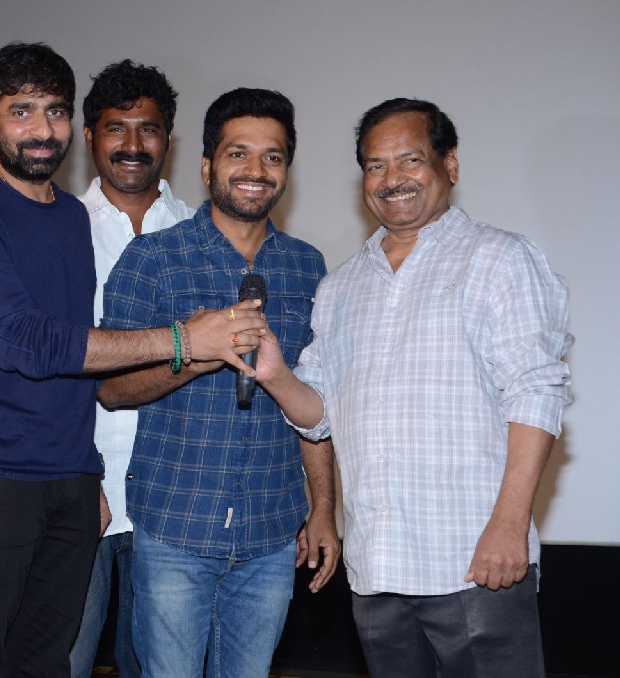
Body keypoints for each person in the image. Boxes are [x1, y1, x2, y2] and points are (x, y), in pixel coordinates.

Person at [0, 43, 268, 678]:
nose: (41, 129)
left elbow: (74, 373)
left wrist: (88, 478)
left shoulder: (68, 219)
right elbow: (28, 343)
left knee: (46, 665)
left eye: (53, 111)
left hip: (75, 483)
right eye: (20, 112)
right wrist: (182, 340)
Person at [260, 98, 573, 677]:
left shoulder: (499, 258)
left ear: (448, 164)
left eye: (410, 160)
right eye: (375, 165)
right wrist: (275, 374)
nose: (392, 178)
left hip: (475, 563)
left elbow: (537, 391)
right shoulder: (340, 287)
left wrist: (510, 525)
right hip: (377, 571)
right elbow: (320, 415)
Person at [99, 88, 341, 678]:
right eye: (238, 154)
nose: (255, 170)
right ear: (208, 166)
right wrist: (197, 353)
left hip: (273, 532)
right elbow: (110, 390)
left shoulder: (309, 267)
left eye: (272, 157)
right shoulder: (153, 258)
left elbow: (316, 402)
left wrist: (323, 509)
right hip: (175, 527)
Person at [69, 59, 195, 678]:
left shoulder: (200, 232)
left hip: (175, 499)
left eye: (148, 128)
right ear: (89, 136)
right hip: (78, 490)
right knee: (63, 660)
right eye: (116, 128)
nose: (133, 144)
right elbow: (52, 361)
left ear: (168, 138)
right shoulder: (60, 228)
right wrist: (76, 475)